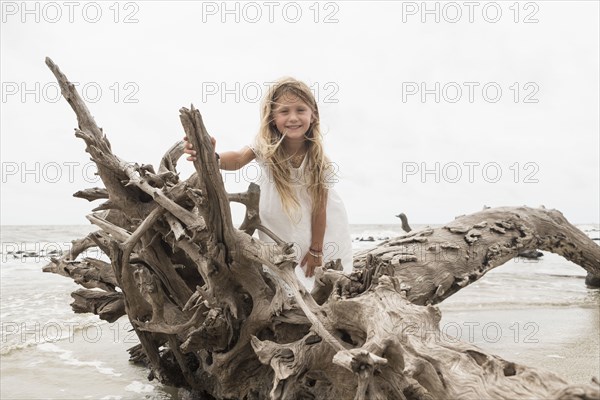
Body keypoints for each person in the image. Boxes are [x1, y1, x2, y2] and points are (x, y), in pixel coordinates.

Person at [183, 77, 353, 291]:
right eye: (284, 111)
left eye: (300, 110)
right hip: (280, 227)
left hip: (321, 229)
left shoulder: (317, 158)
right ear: (272, 117)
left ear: (313, 114)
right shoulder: (265, 146)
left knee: (326, 280)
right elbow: (236, 159)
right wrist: (211, 155)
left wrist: (316, 249)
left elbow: (320, 207)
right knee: (287, 281)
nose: (293, 118)